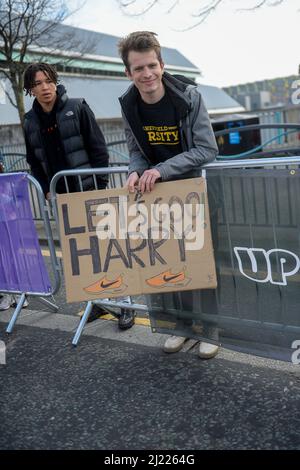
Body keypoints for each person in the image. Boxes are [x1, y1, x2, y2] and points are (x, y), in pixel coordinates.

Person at [118, 31, 219, 357]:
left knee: (200, 265)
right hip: (156, 197)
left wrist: (162, 169)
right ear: (128, 73)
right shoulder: (128, 104)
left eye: (151, 65)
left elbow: (207, 148)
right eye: (138, 68)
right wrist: (135, 168)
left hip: (191, 191)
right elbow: (136, 151)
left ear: (161, 65)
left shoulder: (190, 97)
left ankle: (210, 330)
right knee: (170, 263)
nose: (146, 74)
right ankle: (183, 327)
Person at [22, 62, 135, 330]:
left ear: (55, 81)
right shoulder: (30, 122)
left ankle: (125, 303)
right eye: (37, 84)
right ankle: (97, 302)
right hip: (62, 197)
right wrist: (46, 188)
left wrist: (100, 185)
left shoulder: (77, 107)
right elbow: (34, 160)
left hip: (90, 191)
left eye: (48, 81)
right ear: (30, 89)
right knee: (82, 254)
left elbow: (98, 149)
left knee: (109, 250)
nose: (45, 87)